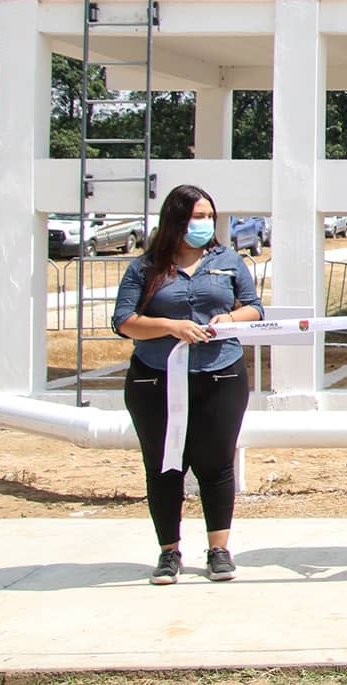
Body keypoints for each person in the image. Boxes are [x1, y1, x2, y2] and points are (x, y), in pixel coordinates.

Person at [112, 184, 264, 585]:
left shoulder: (229, 260)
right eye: (197, 216)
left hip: (220, 375)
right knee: (165, 466)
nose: (205, 224)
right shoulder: (145, 268)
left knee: (216, 464)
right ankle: (168, 552)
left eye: (209, 216)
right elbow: (124, 321)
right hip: (155, 378)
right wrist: (169, 327)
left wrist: (229, 321)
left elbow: (253, 307)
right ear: (175, 219)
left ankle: (218, 549)